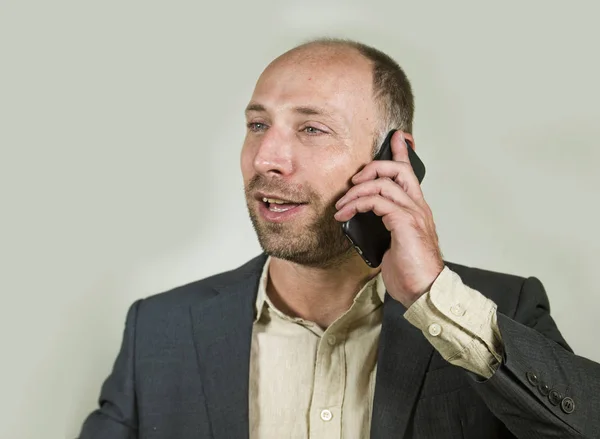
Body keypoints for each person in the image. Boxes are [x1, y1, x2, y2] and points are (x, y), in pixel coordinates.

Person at [77, 38, 600, 439]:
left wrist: (435, 299)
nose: (266, 159)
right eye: (258, 125)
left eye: (312, 129)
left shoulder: (504, 310)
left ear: (392, 159)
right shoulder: (158, 330)